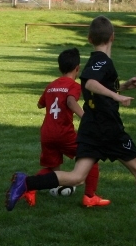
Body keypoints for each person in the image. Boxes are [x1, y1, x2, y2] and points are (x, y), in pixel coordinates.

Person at [6, 16, 136, 242]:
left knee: (76, 177)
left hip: (90, 127)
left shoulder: (94, 61)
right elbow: (89, 83)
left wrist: (123, 86)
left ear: (90, 39)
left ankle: (26, 182)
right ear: (113, 37)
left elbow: (96, 86)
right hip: (107, 128)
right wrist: (116, 96)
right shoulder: (102, 61)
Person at [18, 48, 108, 208]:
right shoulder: (74, 86)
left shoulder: (51, 85)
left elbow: (40, 105)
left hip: (47, 133)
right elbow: (70, 102)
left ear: (60, 67)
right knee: (91, 157)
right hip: (63, 133)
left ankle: (28, 185)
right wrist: (86, 118)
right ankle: (90, 196)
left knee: (53, 171)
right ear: (77, 68)